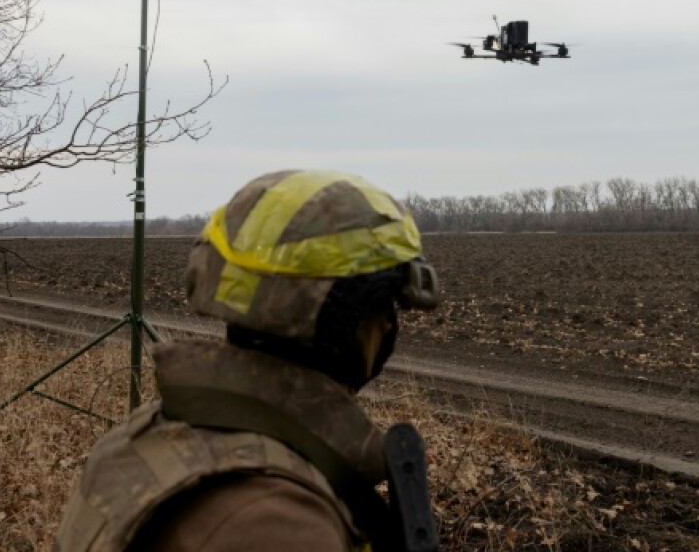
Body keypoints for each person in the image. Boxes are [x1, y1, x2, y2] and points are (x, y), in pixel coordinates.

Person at [54, 169, 442, 552]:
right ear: (353, 318)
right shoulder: (280, 523)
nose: (390, 322)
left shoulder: (146, 436)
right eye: (386, 305)